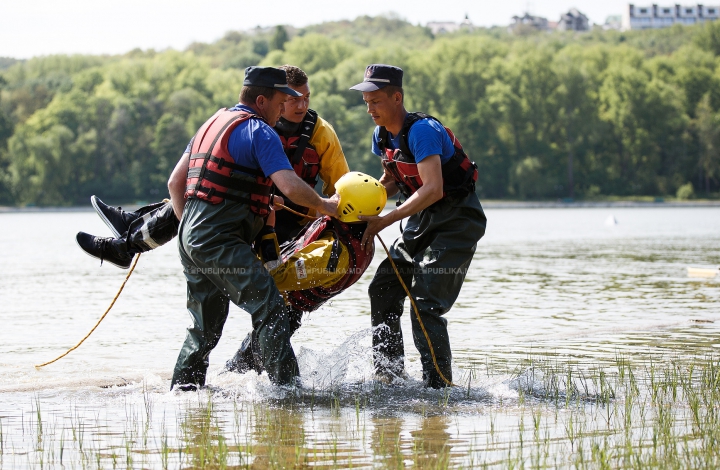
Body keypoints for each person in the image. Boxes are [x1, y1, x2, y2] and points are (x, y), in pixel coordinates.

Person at [166, 66, 338, 390]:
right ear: (262, 100)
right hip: (220, 241)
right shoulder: (260, 131)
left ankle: (182, 394)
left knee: (204, 329)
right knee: (270, 304)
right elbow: (288, 185)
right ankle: (287, 394)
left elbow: (175, 183)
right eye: (280, 102)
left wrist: (190, 235)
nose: (283, 109)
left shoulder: (211, 124)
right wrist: (326, 204)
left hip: (190, 237)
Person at [76, 65, 349, 268]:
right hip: (253, 208)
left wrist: (335, 219)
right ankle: (129, 237)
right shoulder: (252, 127)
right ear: (275, 98)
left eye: (307, 98)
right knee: (201, 194)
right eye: (292, 100)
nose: (301, 105)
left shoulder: (322, 134)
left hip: (294, 222)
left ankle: (128, 236)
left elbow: (341, 187)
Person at [349, 64, 487, 389]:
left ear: (397, 97)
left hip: (457, 220)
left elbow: (433, 188)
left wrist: (384, 220)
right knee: (382, 288)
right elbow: (394, 182)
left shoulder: (422, 131)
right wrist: (359, 205)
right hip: (421, 219)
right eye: (366, 102)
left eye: (377, 101)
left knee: (425, 305)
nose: (370, 109)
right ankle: (390, 378)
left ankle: (438, 389)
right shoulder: (380, 135)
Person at [225, 172, 385, 374]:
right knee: (248, 369)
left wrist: (268, 227)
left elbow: (277, 278)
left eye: (337, 196)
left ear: (350, 207)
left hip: (283, 314)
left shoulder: (330, 254)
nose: (331, 199)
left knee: (238, 370)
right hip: (286, 311)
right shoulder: (353, 231)